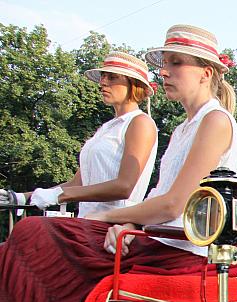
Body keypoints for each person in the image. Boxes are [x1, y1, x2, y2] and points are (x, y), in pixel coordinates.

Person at [0, 24, 237, 302]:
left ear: (206, 71)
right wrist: (125, 221)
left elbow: (174, 203)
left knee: (31, 235)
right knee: (21, 244)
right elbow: (164, 201)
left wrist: (112, 216)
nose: (164, 71)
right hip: (158, 239)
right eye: (164, 63)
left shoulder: (215, 122)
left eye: (175, 63)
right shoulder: (185, 127)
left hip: (177, 251)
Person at [0, 51, 158, 217]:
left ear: (133, 84)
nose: (103, 83)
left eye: (112, 78)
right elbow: (77, 183)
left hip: (115, 226)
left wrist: (59, 196)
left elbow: (124, 187)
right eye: (103, 77)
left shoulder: (140, 122)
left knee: (31, 230)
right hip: (87, 221)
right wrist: (22, 198)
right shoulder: (106, 128)